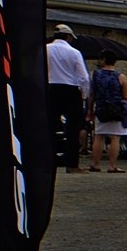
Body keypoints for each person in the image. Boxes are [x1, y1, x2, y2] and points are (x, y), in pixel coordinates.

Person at [46, 23, 90, 173]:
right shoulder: (74, 52)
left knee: (49, 126)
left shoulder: (44, 50)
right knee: (72, 129)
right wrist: (84, 96)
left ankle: (47, 161)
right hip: (70, 90)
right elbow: (83, 77)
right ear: (68, 36)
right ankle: (72, 164)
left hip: (50, 88)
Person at [86, 50, 127, 173]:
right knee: (115, 137)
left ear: (104, 60)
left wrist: (90, 110)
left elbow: (92, 94)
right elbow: (126, 97)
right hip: (116, 110)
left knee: (98, 136)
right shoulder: (121, 77)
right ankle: (112, 166)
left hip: (101, 109)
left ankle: (95, 164)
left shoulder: (95, 74)